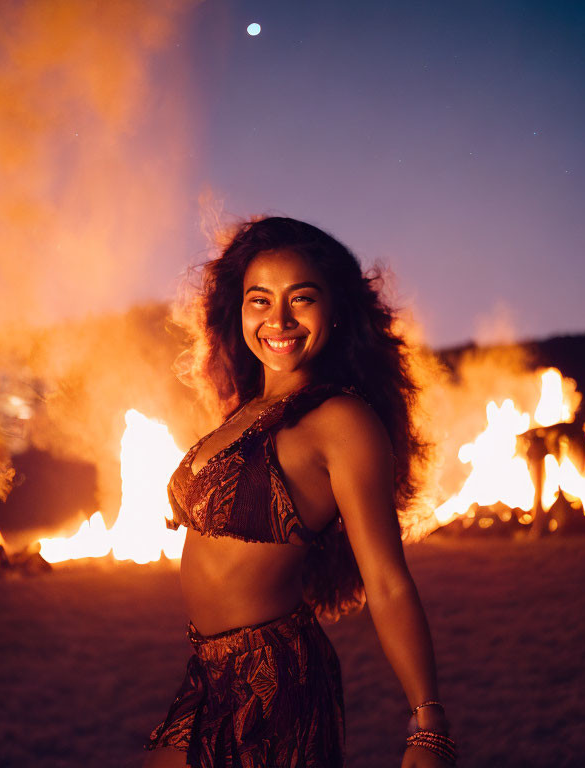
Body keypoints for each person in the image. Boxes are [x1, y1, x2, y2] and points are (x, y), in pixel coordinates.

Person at [144, 217, 456, 767]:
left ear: (335, 310)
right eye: (259, 300)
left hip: (276, 679)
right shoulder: (244, 412)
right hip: (209, 672)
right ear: (237, 310)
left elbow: (386, 581)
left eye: (301, 298)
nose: (278, 319)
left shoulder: (342, 421)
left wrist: (426, 725)